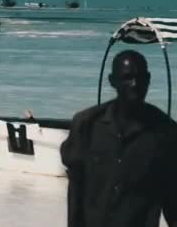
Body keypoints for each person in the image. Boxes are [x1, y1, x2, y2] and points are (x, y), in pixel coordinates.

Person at [60, 50, 177, 227]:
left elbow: (172, 198)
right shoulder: (86, 125)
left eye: (141, 78)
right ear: (112, 81)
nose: (135, 84)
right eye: (127, 77)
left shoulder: (165, 132)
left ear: (149, 79)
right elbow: (76, 190)